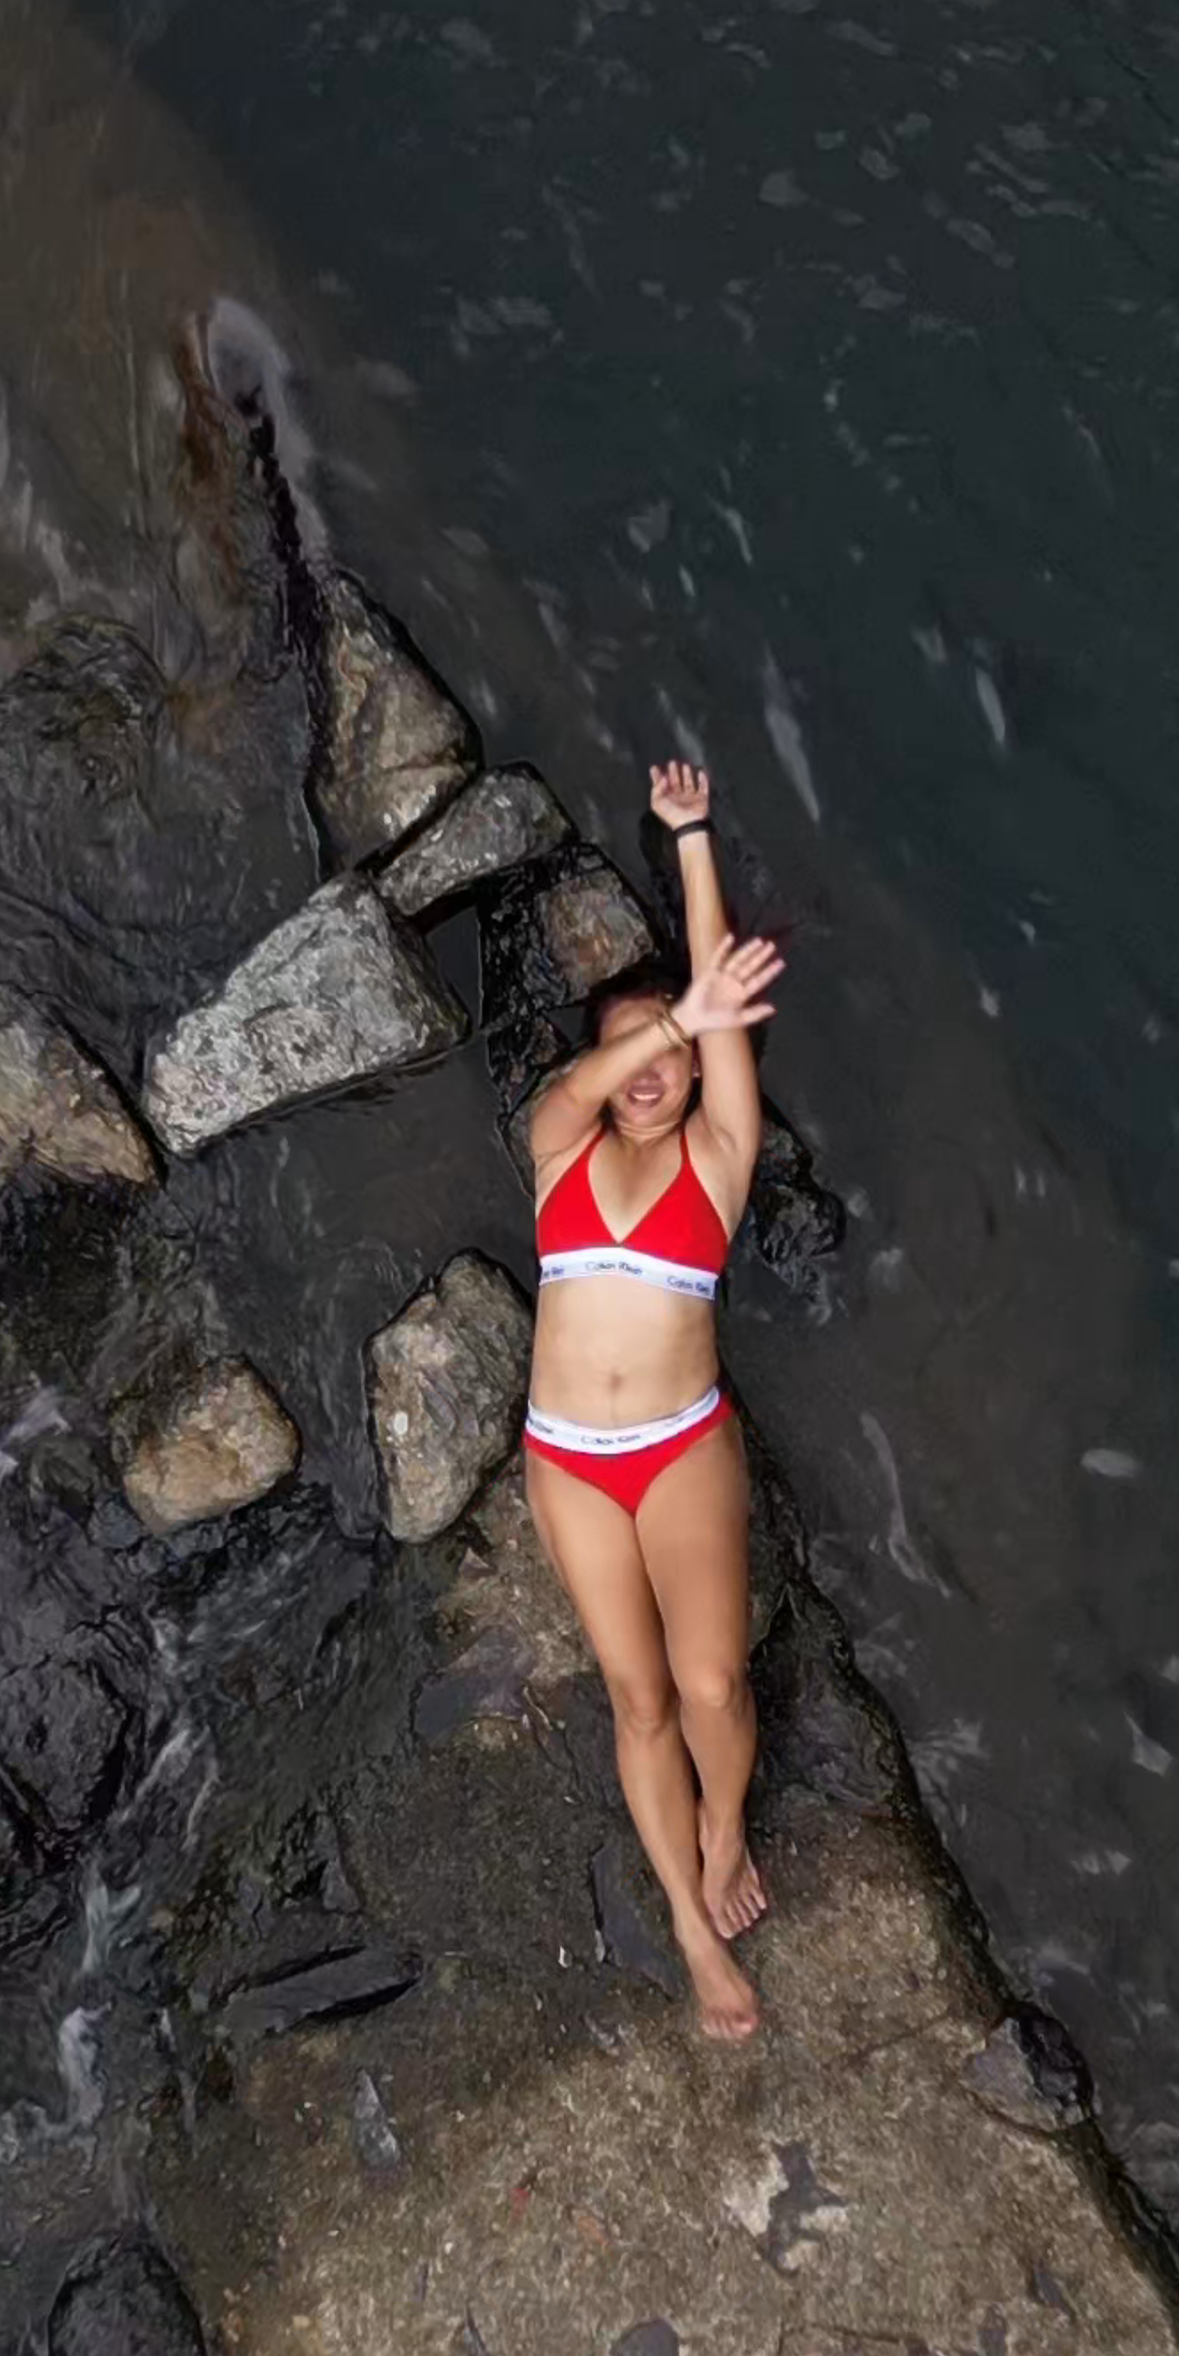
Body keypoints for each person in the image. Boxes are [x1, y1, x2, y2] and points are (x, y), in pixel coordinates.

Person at [519, 757, 785, 2039]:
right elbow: (603, 1070)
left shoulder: (721, 1162)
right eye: (625, 1047)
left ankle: (725, 1821)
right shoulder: (556, 1145)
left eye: (669, 1055)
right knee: (638, 1700)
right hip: (569, 1458)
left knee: (715, 1685)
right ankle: (689, 1921)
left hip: (680, 1445)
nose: (647, 1069)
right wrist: (669, 1017)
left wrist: (691, 838)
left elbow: (721, 1018)